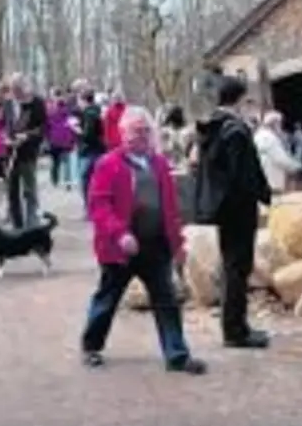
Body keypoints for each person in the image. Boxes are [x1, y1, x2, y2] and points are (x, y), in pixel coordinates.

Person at [80, 106, 207, 375]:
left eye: (146, 130)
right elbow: (99, 207)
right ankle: (91, 346)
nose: (142, 136)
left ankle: (177, 355)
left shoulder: (159, 164)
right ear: (122, 133)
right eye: (136, 130)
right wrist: (120, 233)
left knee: (167, 300)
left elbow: (170, 209)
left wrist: (177, 246)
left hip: (155, 245)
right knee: (108, 298)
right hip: (120, 248)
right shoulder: (108, 164)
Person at [192, 75, 272, 350]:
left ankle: (236, 325)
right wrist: (262, 194)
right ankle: (235, 330)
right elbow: (244, 174)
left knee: (232, 266)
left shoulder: (214, 126)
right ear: (239, 99)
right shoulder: (235, 130)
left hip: (223, 207)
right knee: (238, 267)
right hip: (238, 208)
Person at [0, 74, 47, 228]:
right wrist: (6, 138)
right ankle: (16, 223)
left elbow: (43, 128)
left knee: (29, 189)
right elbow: (3, 125)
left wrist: (27, 136)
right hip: (10, 152)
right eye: (14, 91)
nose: (17, 94)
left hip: (28, 152)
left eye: (19, 90)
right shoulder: (7, 103)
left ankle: (32, 222)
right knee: (11, 190)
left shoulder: (37, 103)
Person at [253, 111, 302, 196]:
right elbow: (280, 159)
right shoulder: (269, 138)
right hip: (272, 180)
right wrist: (296, 167)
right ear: (274, 124)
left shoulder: (258, 136)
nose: (280, 127)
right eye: (279, 124)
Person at [75, 87, 107, 203]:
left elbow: (88, 134)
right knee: (98, 178)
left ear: (83, 100)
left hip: (89, 151)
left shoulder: (89, 113)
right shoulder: (99, 111)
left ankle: (89, 207)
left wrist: (78, 130)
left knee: (85, 180)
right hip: (101, 149)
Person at [46, 92, 77, 189]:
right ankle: (67, 181)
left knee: (55, 162)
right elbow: (73, 127)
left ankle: (55, 180)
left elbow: (47, 127)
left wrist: (48, 138)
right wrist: (73, 139)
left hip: (54, 141)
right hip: (66, 141)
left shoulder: (51, 114)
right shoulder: (68, 114)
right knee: (67, 162)